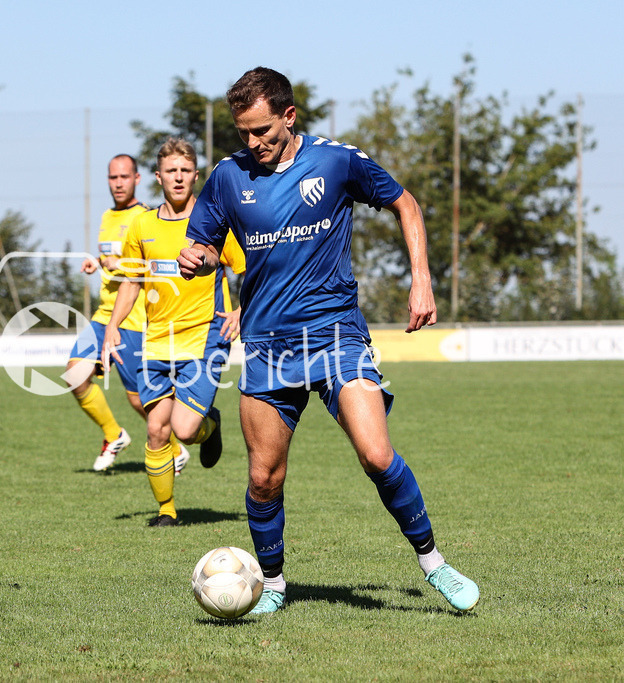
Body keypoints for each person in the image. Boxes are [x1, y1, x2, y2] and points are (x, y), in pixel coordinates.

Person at [179, 67, 478, 613]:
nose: (253, 142)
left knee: (377, 455)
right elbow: (203, 244)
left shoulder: (336, 161)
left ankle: (434, 563)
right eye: (244, 133)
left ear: (289, 116)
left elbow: (406, 204)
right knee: (264, 478)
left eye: (262, 130)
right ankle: (272, 585)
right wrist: (196, 259)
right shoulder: (226, 176)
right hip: (268, 344)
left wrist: (422, 281)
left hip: (335, 335)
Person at [104, 138, 245, 526]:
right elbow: (131, 281)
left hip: (204, 335)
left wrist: (241, 310)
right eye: (171, 171)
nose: (178, 177)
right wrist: (113, 326)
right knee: (155, 429)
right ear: (158, 176)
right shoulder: (142, 225)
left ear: (195, 175)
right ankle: (166, 512)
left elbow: (248, 269)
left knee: (184, 430)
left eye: (185, 170)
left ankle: (210, 426)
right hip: (155, 340)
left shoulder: (215, 221)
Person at [67, 154, 189, 474]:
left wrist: (117, 264)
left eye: (124, 177)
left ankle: (175, 449)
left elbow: (151, 264)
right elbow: (111, 259)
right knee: (75, 375)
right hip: (103, 315)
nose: (118, 183)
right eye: (113, 177)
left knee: (138, 400)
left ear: (137, 179)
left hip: (133, 318)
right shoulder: (107, 216)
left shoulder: (146, 217)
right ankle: (114, 435)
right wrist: (98, 262)